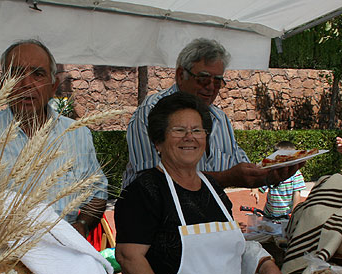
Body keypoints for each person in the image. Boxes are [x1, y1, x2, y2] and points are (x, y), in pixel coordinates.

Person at [115, 92, 286, 274]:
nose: (190, 137)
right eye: (179, 130)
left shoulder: (213, 188)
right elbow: (129, 257)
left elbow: (232, 246)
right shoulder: (143, 191)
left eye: (197, 130)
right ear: (158, 141)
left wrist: (265, 263)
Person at [0, 39, 107, 237]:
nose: (26, 84)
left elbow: (98, 193)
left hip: (61, 252)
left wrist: (82, 225)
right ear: (1, 83)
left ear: (53, 86)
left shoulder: (77, 134)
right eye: (16, 74)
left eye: (38, 74)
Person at [124, 38, 302, 189]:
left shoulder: (220, 119)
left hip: (205, 220)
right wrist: (226, 178)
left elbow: (241, 170)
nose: (210, 87)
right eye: (203, 79)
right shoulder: (151, 111)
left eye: (217, 81)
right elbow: (151, 181)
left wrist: (269, 176)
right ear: (180, 75)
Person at [258, 141, 306, 218]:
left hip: (286, 215)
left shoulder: (296, 174)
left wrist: (294, 211)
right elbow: (260, 184)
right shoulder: (272, 172)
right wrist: (254, 190)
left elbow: (296, 193)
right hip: (269, 214)